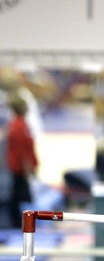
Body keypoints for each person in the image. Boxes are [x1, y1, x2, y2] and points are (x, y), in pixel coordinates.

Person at [6, 94, 38, 228]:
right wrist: (28, 168)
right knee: (16, 197)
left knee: (19, 197)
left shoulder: (20, 125)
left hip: (19, 167)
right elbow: (21, 151)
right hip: (18, 168)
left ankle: (18, 223)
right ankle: (16, 224)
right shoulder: (18, 126)